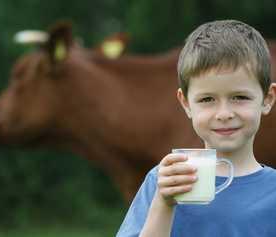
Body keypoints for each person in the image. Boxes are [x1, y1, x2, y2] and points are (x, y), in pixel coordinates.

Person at [116, 19, 276, 237]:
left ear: (267, 99)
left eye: (240, 97)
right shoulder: (164, 181)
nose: (224, 114)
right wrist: (164, 204)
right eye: (207, 99)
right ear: (186, 103)